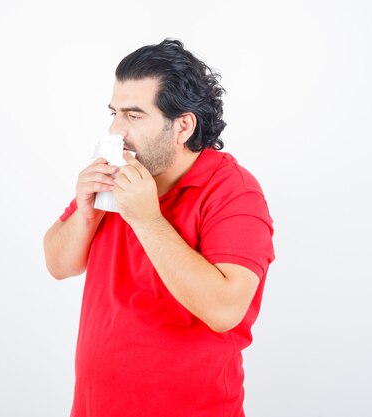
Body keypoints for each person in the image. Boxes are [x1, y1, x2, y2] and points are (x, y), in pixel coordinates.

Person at [43, 39, 275, 417]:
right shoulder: (118, 173)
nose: (116, 130)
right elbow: (57, 263)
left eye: (134, 115)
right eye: (114, 112)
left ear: (183, 125)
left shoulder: (234, 192)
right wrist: (85, 211)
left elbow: (225, 310)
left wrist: (147, 219)